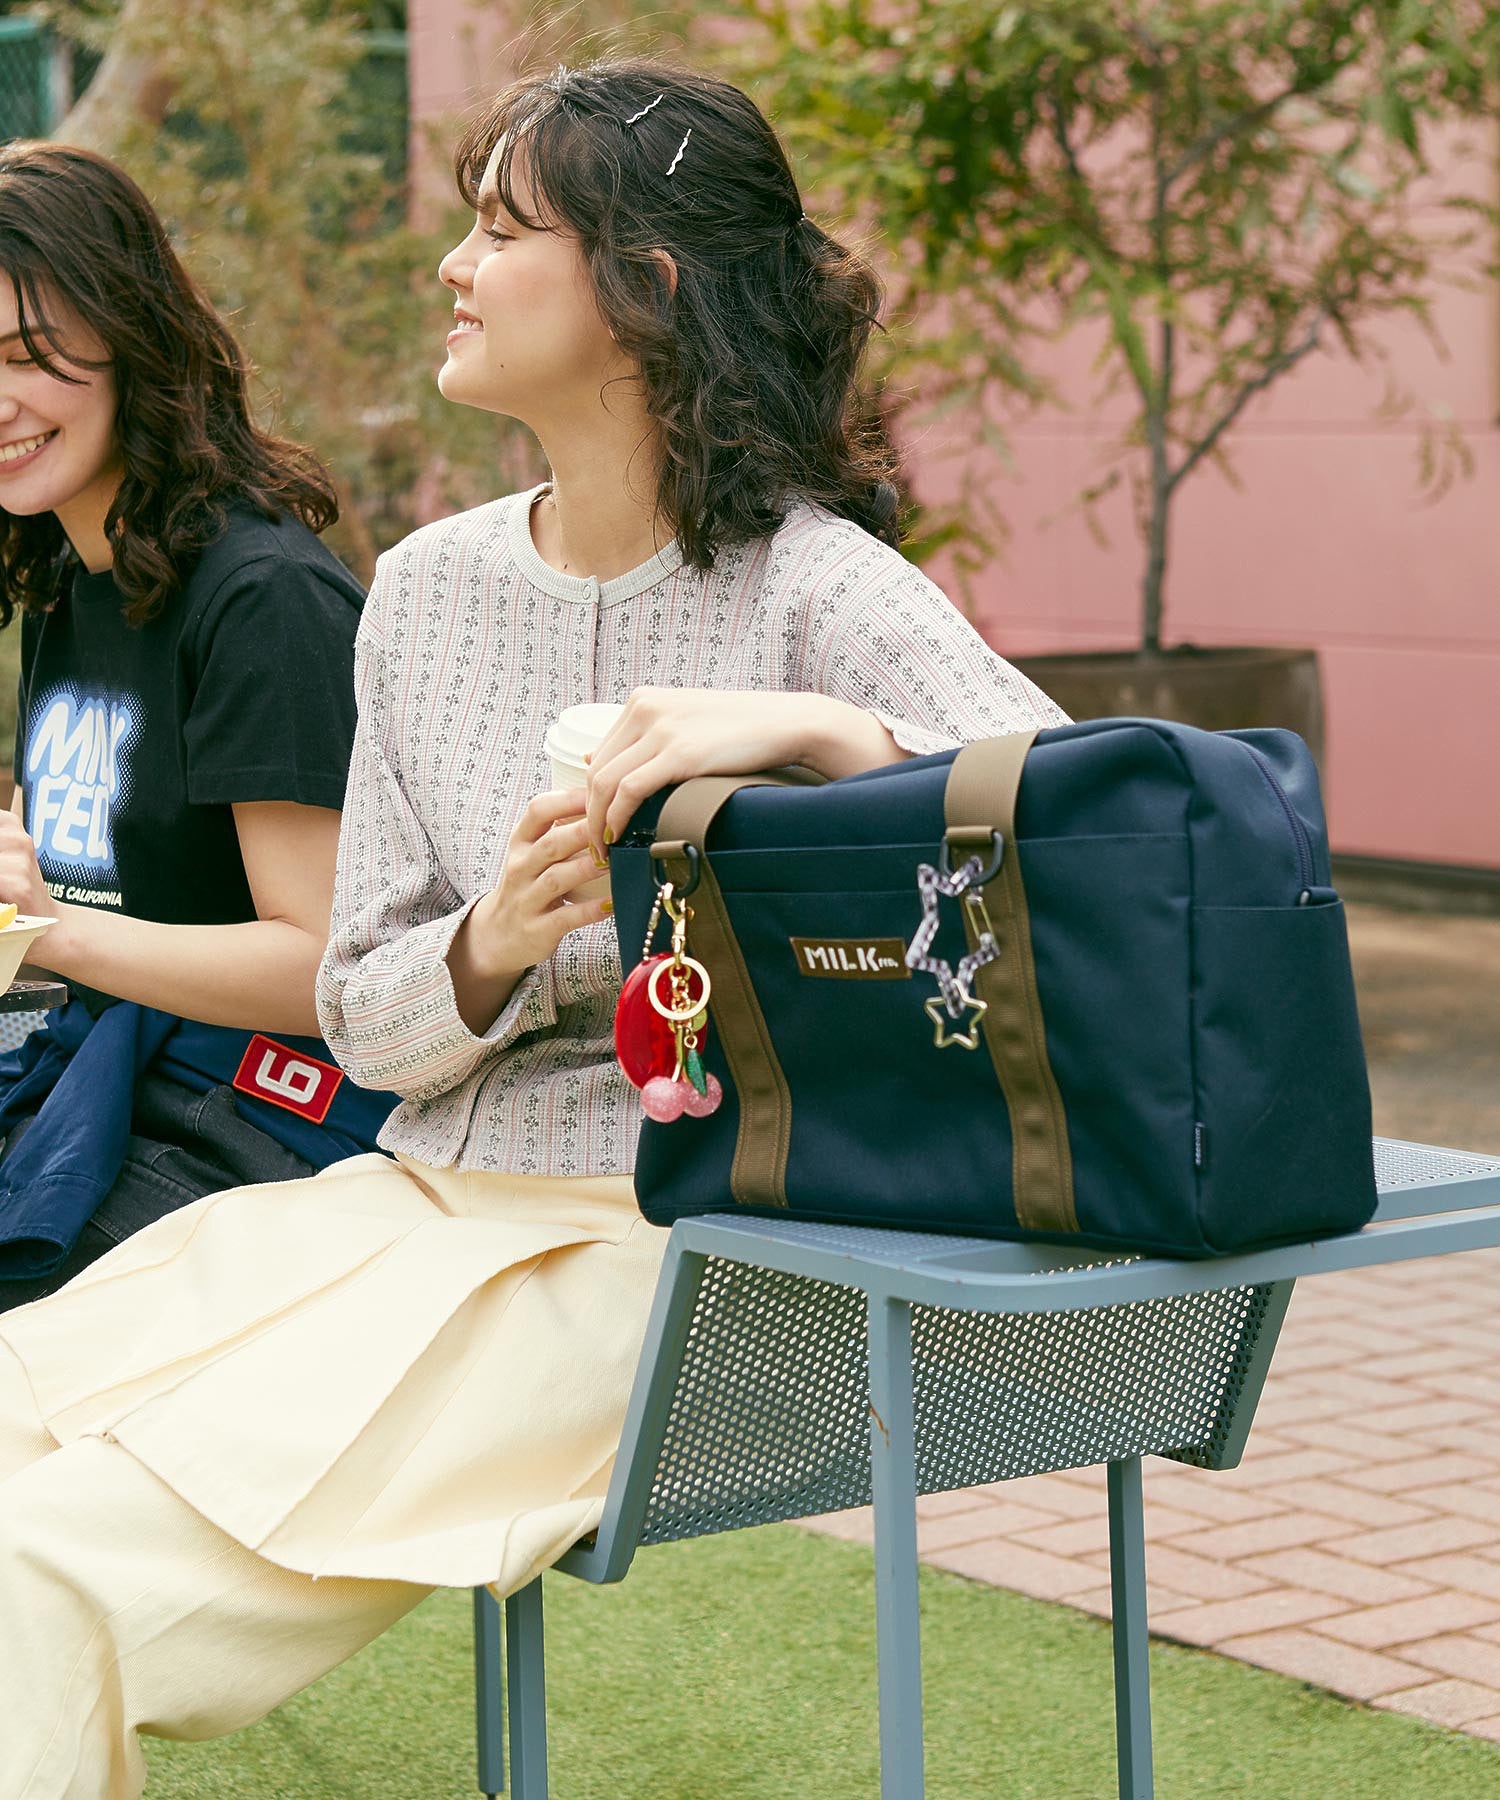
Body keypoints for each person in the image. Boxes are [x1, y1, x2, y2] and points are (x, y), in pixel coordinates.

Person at [0, 60, 1067, 1795]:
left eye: (502, 228)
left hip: (677, 1254)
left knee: (40, 1579)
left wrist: (819, 740)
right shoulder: (425, 591)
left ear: (644, 287)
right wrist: (490, 942)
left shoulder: (816, 586)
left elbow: (1098, 820)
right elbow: (360, 1018)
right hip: (407, 1203)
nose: (455, 264)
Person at [0, 143, 397, 1307]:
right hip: (113, 1078)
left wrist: (47, 930)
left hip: (269, 1119)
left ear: (133, 338)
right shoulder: (75, 585)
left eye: (28, 356)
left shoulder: (258, 594)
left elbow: (323, 966)